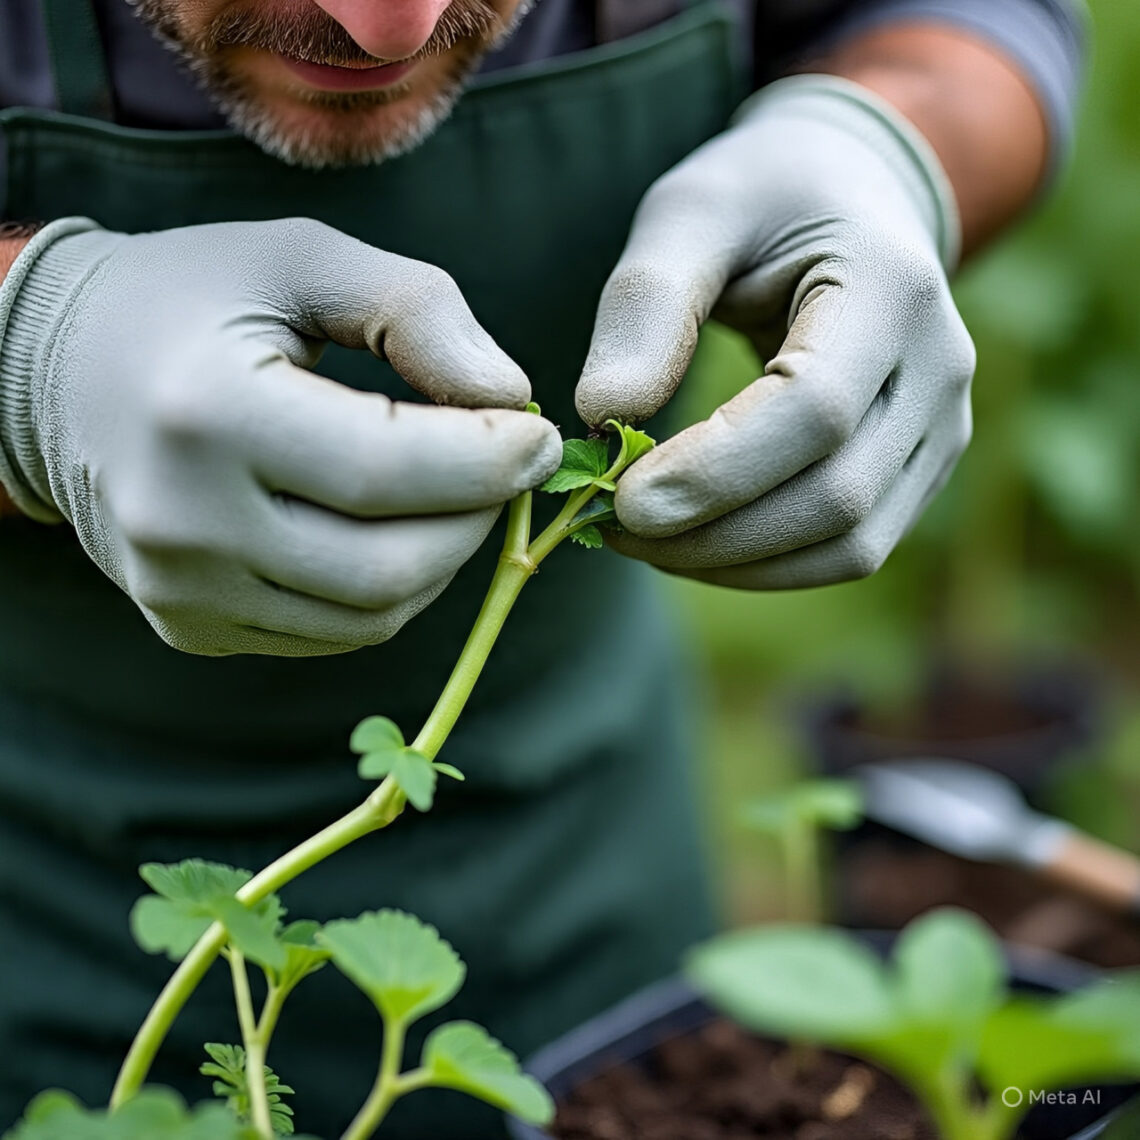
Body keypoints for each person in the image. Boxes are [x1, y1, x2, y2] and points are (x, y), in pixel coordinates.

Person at [0, 0, 1084, 1135]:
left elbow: (975, 22)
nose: (389, 31)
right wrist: (28, 353)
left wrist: (885, 145)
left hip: (598, 837)